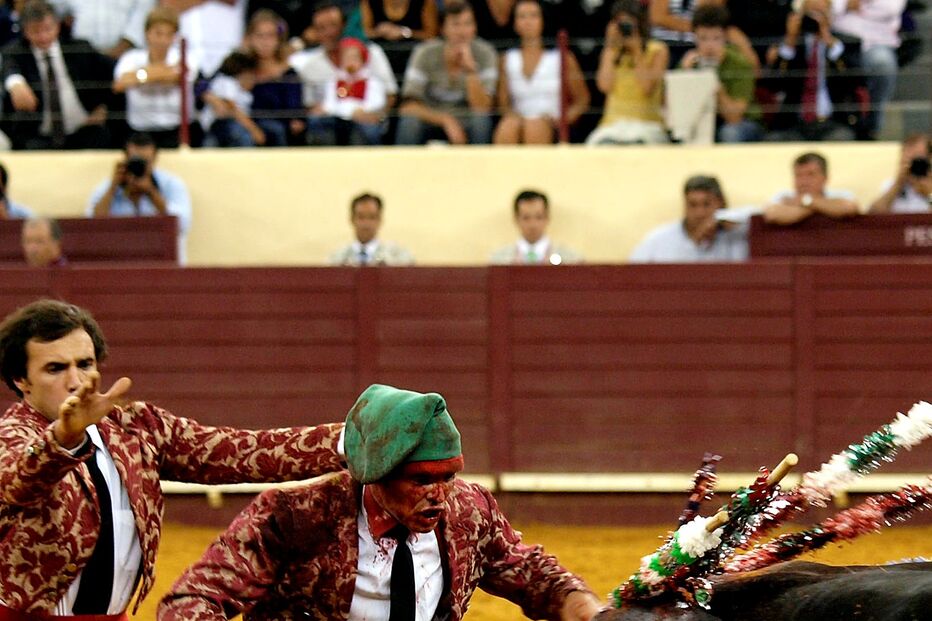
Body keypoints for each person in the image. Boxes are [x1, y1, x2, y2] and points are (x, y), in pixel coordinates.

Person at [0, 298, 344, 616]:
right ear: (21, 379)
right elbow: (20, 481)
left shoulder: (134, 428)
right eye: (55, 368)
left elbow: (235, 451)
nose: (76, 381)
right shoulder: (11, 436)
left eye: (85, 364)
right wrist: (62, 439)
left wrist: (344, 441)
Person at [158, 383, 603, 621]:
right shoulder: (296, 516)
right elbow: (194, 599)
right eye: (421, 480)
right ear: (376, 475)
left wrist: (575, 600)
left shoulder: (470, 511)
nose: (440, 494)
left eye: (449, 476)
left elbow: (527, 569)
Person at [0, 0, 115, 150]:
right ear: (25, 31)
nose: (43, 37)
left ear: (58, 26)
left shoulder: (79, 48)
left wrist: (104, 107)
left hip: (83, 130)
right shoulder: (16, 52)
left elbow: (112, 71)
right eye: (35, 31)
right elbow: (9, 68)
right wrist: (16, 84)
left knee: (103, 136)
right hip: (39, 137)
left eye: (48, 29)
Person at [292, 1, 398, 146]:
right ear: (315, 32)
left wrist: (376, 115)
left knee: (365, 129)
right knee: (318, 123)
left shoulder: (372, 53)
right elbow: (310, 105)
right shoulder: (310, 65)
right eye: (321, 28)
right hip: (330, 119)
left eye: (333, 25)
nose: (329, 32)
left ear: (344, 25)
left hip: (369, 117)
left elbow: (390, 94)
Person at [395, 0, 498, 145]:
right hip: (431, 117)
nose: (462, 31)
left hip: (467, 119)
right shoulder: (424, 52)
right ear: (443, 29)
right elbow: (407, 107)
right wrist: (446, 120)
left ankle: (480, 167)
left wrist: (470, 71)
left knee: (481, 121)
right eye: (456, 24)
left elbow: (483, 108)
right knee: (409, 121)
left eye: (468, 24)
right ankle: (403, 166)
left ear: (475, 28)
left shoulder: (486, 53)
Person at [762, 0, 863, 142]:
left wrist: (831, 45)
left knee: (842, 139)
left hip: (833, 122)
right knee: (774, 141)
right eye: (810, 14)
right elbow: (774, 85)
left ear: (830, 16)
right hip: (794, 124)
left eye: (820, 13)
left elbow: (855, 82)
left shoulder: (847, 43)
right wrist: (789, 44)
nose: (815, 19)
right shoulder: (790, 44)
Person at [493, 0, 590, 145]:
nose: (528, 22)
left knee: (534, 127)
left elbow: (582, 99)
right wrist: (516, 119)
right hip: (518, 120)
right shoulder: (507, 59)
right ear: (514, 23)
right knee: (508, 126)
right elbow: (503, 103)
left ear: (543, 20)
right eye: (522, 16)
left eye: (533, 16)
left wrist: (563, 120)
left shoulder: (562, 57)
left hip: (551, 121)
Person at [86, 132, 192, 263]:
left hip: (163, 265)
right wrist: (113, 187)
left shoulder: (171, 184)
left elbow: (182, 225)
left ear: (155, 159)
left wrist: (151, 192)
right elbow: (91, 228)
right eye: (135, 161)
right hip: (120, 264)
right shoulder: (109, 186)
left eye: (145, 162)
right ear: (125, 158)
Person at [112, 5, 200, 149]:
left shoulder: (186, 57)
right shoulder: (131, 58)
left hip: (176, 131)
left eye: (169, 34)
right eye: (158, 33)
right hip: (140, 132)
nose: (163, 40)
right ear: (147, 34)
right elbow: (119, 85)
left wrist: (139, 76)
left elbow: (179, 76)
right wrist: (161, 72)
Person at [586, 0, 669, 145]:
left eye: (628, 24)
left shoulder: (657, 50)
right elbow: (604, 86)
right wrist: (610, 47)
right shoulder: (611, 52)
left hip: (646, 125)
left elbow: (647, 87)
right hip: (612, 126)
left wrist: (637, 51)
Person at [680, 4, 762, 142]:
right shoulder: (689, 63)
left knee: (729, 133)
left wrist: (714, 85)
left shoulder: (739, 63)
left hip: (743, 123)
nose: (709, 46)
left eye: (716, 38)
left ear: (725, 37)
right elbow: (674, 111)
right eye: (703, 38)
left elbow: (734, 118)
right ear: (694, 37)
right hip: (700, 122)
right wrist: (686, 75)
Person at [629, 175, 756, 263]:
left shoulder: (737, 235)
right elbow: (632, 275)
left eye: (707, 204)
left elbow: (762, 215)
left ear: (721, 204)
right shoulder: (658, 241)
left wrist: (724, 217)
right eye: (692, 205)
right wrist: (694, 242)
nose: (700, 213)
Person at [831, 0, 906, 138]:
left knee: (882, 63)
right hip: (836, 39)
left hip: (876, 43)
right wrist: (845, 5)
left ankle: (872, 126)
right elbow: (819, 5)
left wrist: (848, 5)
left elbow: (890, 8)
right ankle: (830, 123)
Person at [244, 8, 307, 147]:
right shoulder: (239, 67)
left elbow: (295, 111)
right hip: (245, 126)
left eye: (270, 36)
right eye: (260, 36)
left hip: (281, 130)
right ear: (250, 38)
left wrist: (296, 121)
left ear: (279, 39)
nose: (265, 42)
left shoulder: (289, 73)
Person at [315, 37, 388, 145]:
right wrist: (350, 112)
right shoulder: (335, 80)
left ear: (362, 59)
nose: (350, 62)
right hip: (338, 119)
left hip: (363, 118)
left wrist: (360, 112)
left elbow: (376, 103)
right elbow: (329, 104)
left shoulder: (371, 81)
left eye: (354, 58)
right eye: (346, 58)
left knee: (368, 128)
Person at [763, 151, 860, 225]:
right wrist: (822, 207)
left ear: (825, 178)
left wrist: (807, 202)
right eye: (798, 175)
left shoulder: (840, 195)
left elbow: (850, 208)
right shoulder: (783, 195)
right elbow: (772, 214)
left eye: (811, 175)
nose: (804, 181)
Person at [490, 189, 582, 265]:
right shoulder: (499, 260)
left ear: (547, 218)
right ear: (516, 219)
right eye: (526, 218)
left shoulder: (570, 259)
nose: (533, 225)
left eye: (539, 217)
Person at [200, 50, 266, 147]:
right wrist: (254, 130)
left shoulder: (245, 92)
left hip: (234, 123)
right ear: (242, 74)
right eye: (252, 75)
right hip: (219, 124)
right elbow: (232, 109)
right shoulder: (227, 82)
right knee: (242, 135)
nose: (254, 79)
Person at [49, 0, 155, 60]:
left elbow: (142, 15)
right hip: (81, 56)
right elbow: (52, 8)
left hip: (126, 57)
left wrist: (122, 47)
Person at [328, 192, 415, 266]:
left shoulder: (398, 258)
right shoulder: (336, 259)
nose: (366, 224)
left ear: (380, 220)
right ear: (352, 219)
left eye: (372, 217)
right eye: (361, 217)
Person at [869, 133, 932, 214]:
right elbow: (873, 214)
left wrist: (929, 194)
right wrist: (898, 184)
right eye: (909, 160)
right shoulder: (891, 185)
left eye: (918, 160)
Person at [361, 0, 439, 42]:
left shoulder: (425, 2)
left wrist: (405, 32)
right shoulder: (369, 1)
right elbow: (365, 33)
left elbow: (432, 35)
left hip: (415, 52)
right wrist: (380, 32)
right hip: (380, 53)